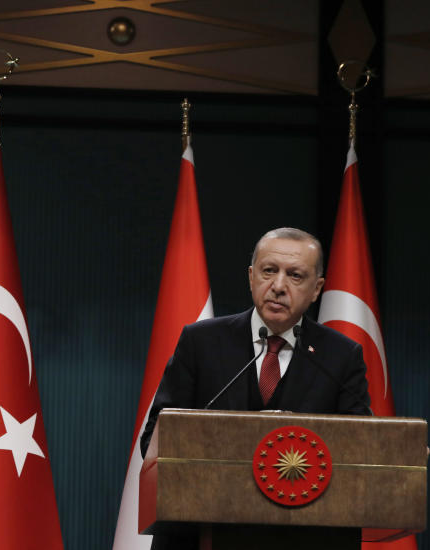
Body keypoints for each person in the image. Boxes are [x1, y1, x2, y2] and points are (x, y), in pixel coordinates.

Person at [138, 227, 371, 549]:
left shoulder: (341, 356)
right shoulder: (201, 342)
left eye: (295, 276)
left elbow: (363, 448)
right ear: (251, 277)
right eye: (269, 271)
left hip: (304, 536)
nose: (278, 286)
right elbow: (155, 437)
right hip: (203, 533)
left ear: (317, 289)